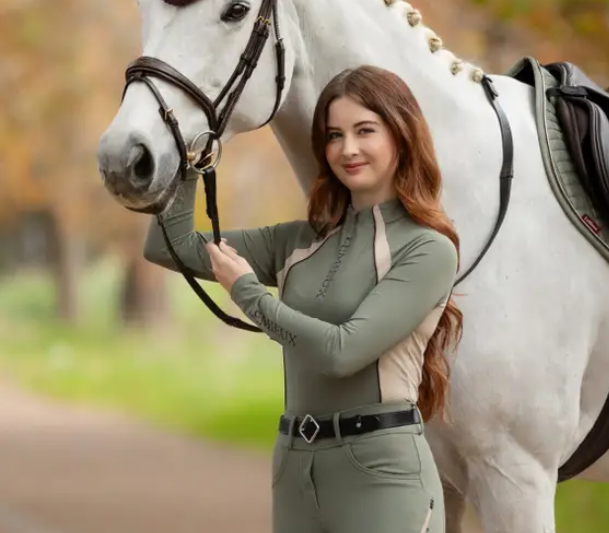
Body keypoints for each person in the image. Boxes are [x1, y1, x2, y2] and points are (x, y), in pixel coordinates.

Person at [143, 64, 463, 533]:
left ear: (401, 134)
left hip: (380, 475)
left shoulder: (428, 249)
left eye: (365, 131)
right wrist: (191, 156)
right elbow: (166, 245)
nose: (347, 148)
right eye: (334, 135)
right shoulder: (299, 239)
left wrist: (248, 293)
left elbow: (342, 352)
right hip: (294, 465)